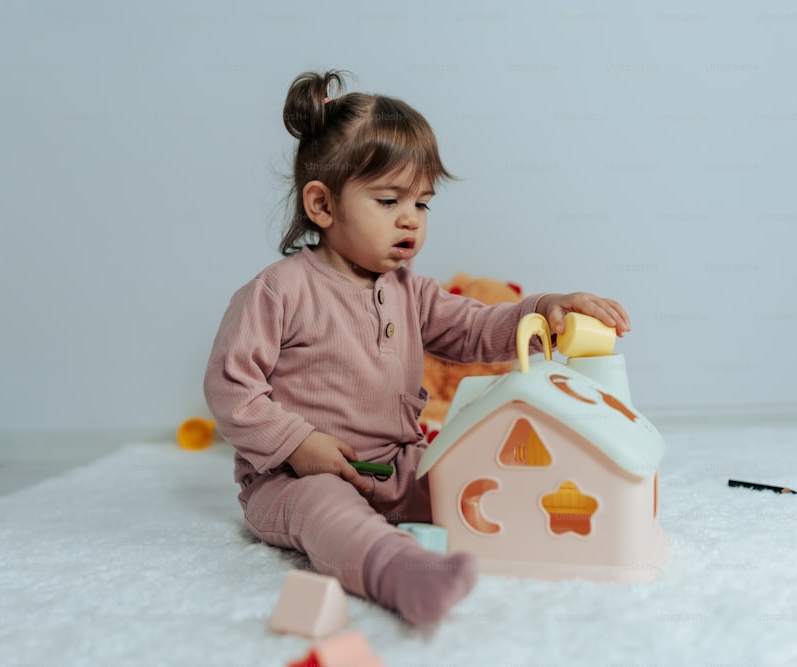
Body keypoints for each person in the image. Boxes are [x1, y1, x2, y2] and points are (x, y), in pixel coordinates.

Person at [203, 70, 632, 625]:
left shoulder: (410, 291)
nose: (410, 219)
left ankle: (559, 532)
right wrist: (299, 444)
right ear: (322, 205)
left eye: (423, 204)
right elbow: (230, 387)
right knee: (328, 513)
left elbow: (476, 330)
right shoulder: (279, 291)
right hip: (296, 479)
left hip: (398, 467)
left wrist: (541, 309)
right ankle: (401, 576)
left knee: (468, 487)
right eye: (388, 200)